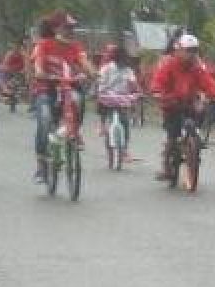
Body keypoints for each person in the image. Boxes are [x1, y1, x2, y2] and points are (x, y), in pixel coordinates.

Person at [31, 11, 97, 182]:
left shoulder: (75, 46)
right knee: (45, 120)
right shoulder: (43, 45)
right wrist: (41, 73)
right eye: (67, 27)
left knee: (78, 100)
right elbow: (38, 65)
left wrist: (93, 73)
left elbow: (84, 63)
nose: (71, 30)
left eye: (72, 27)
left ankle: (74, 131)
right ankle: (41, 165)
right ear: (56, 28)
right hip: (46, 88)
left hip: (69, 87)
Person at [150, 34, 215, 180]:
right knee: (172, 138)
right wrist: (158, 92)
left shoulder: (197, 68)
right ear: (179, 50)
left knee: (201, 110)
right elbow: (158, 83)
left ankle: (195, 142)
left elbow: (208, 83)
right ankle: (166, 167)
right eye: (188, 50)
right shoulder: (169, 65)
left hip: (189, 103)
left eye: (194, 51)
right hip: (171, 104)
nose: (191, 54)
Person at [95, 44, 141, 158]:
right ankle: (105, 129)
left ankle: (124, 148)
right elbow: (100, 83)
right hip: (108, 99)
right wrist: (101, 91)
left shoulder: (128, 70)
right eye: (121, 59)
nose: (124, 62)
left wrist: (138, 91)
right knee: (107, 114)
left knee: (125, 122)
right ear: (116, 58)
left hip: (122, 99)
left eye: (125, 59)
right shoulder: (106, 68)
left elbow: (133, 83)